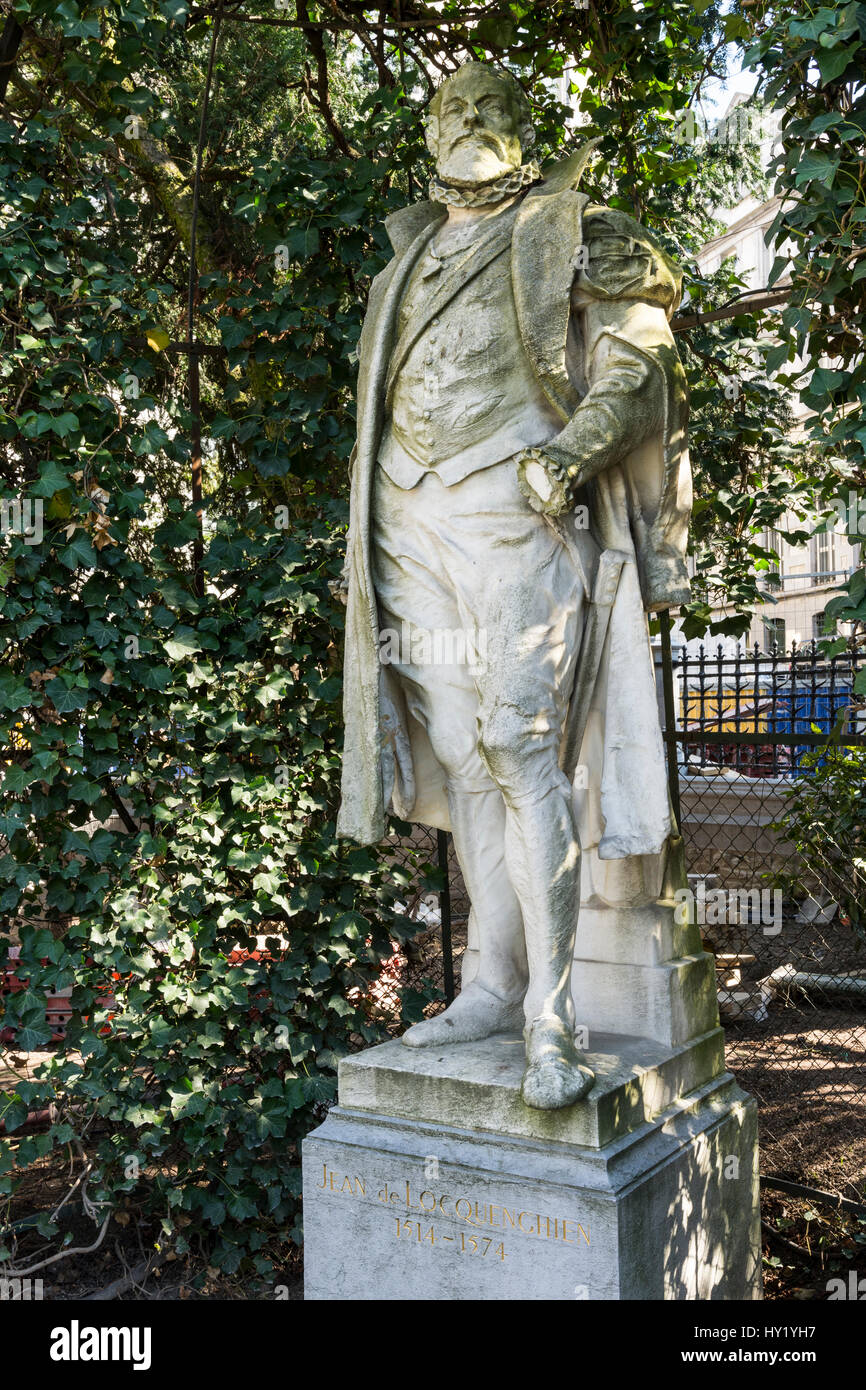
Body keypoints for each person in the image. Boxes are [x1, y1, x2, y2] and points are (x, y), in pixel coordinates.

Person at [337, 61, 691, 1109]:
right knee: (459, 752)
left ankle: (552, 1014)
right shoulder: (397, 264)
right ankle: (490, 984)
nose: (471, 123)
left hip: (520, 508)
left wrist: (571, 452)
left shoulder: (575, 228)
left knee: (516, 742)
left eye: (493, 108)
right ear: (427, 130)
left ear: (524, 128)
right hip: (407, 520)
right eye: (451, 109)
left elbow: (635, 364)